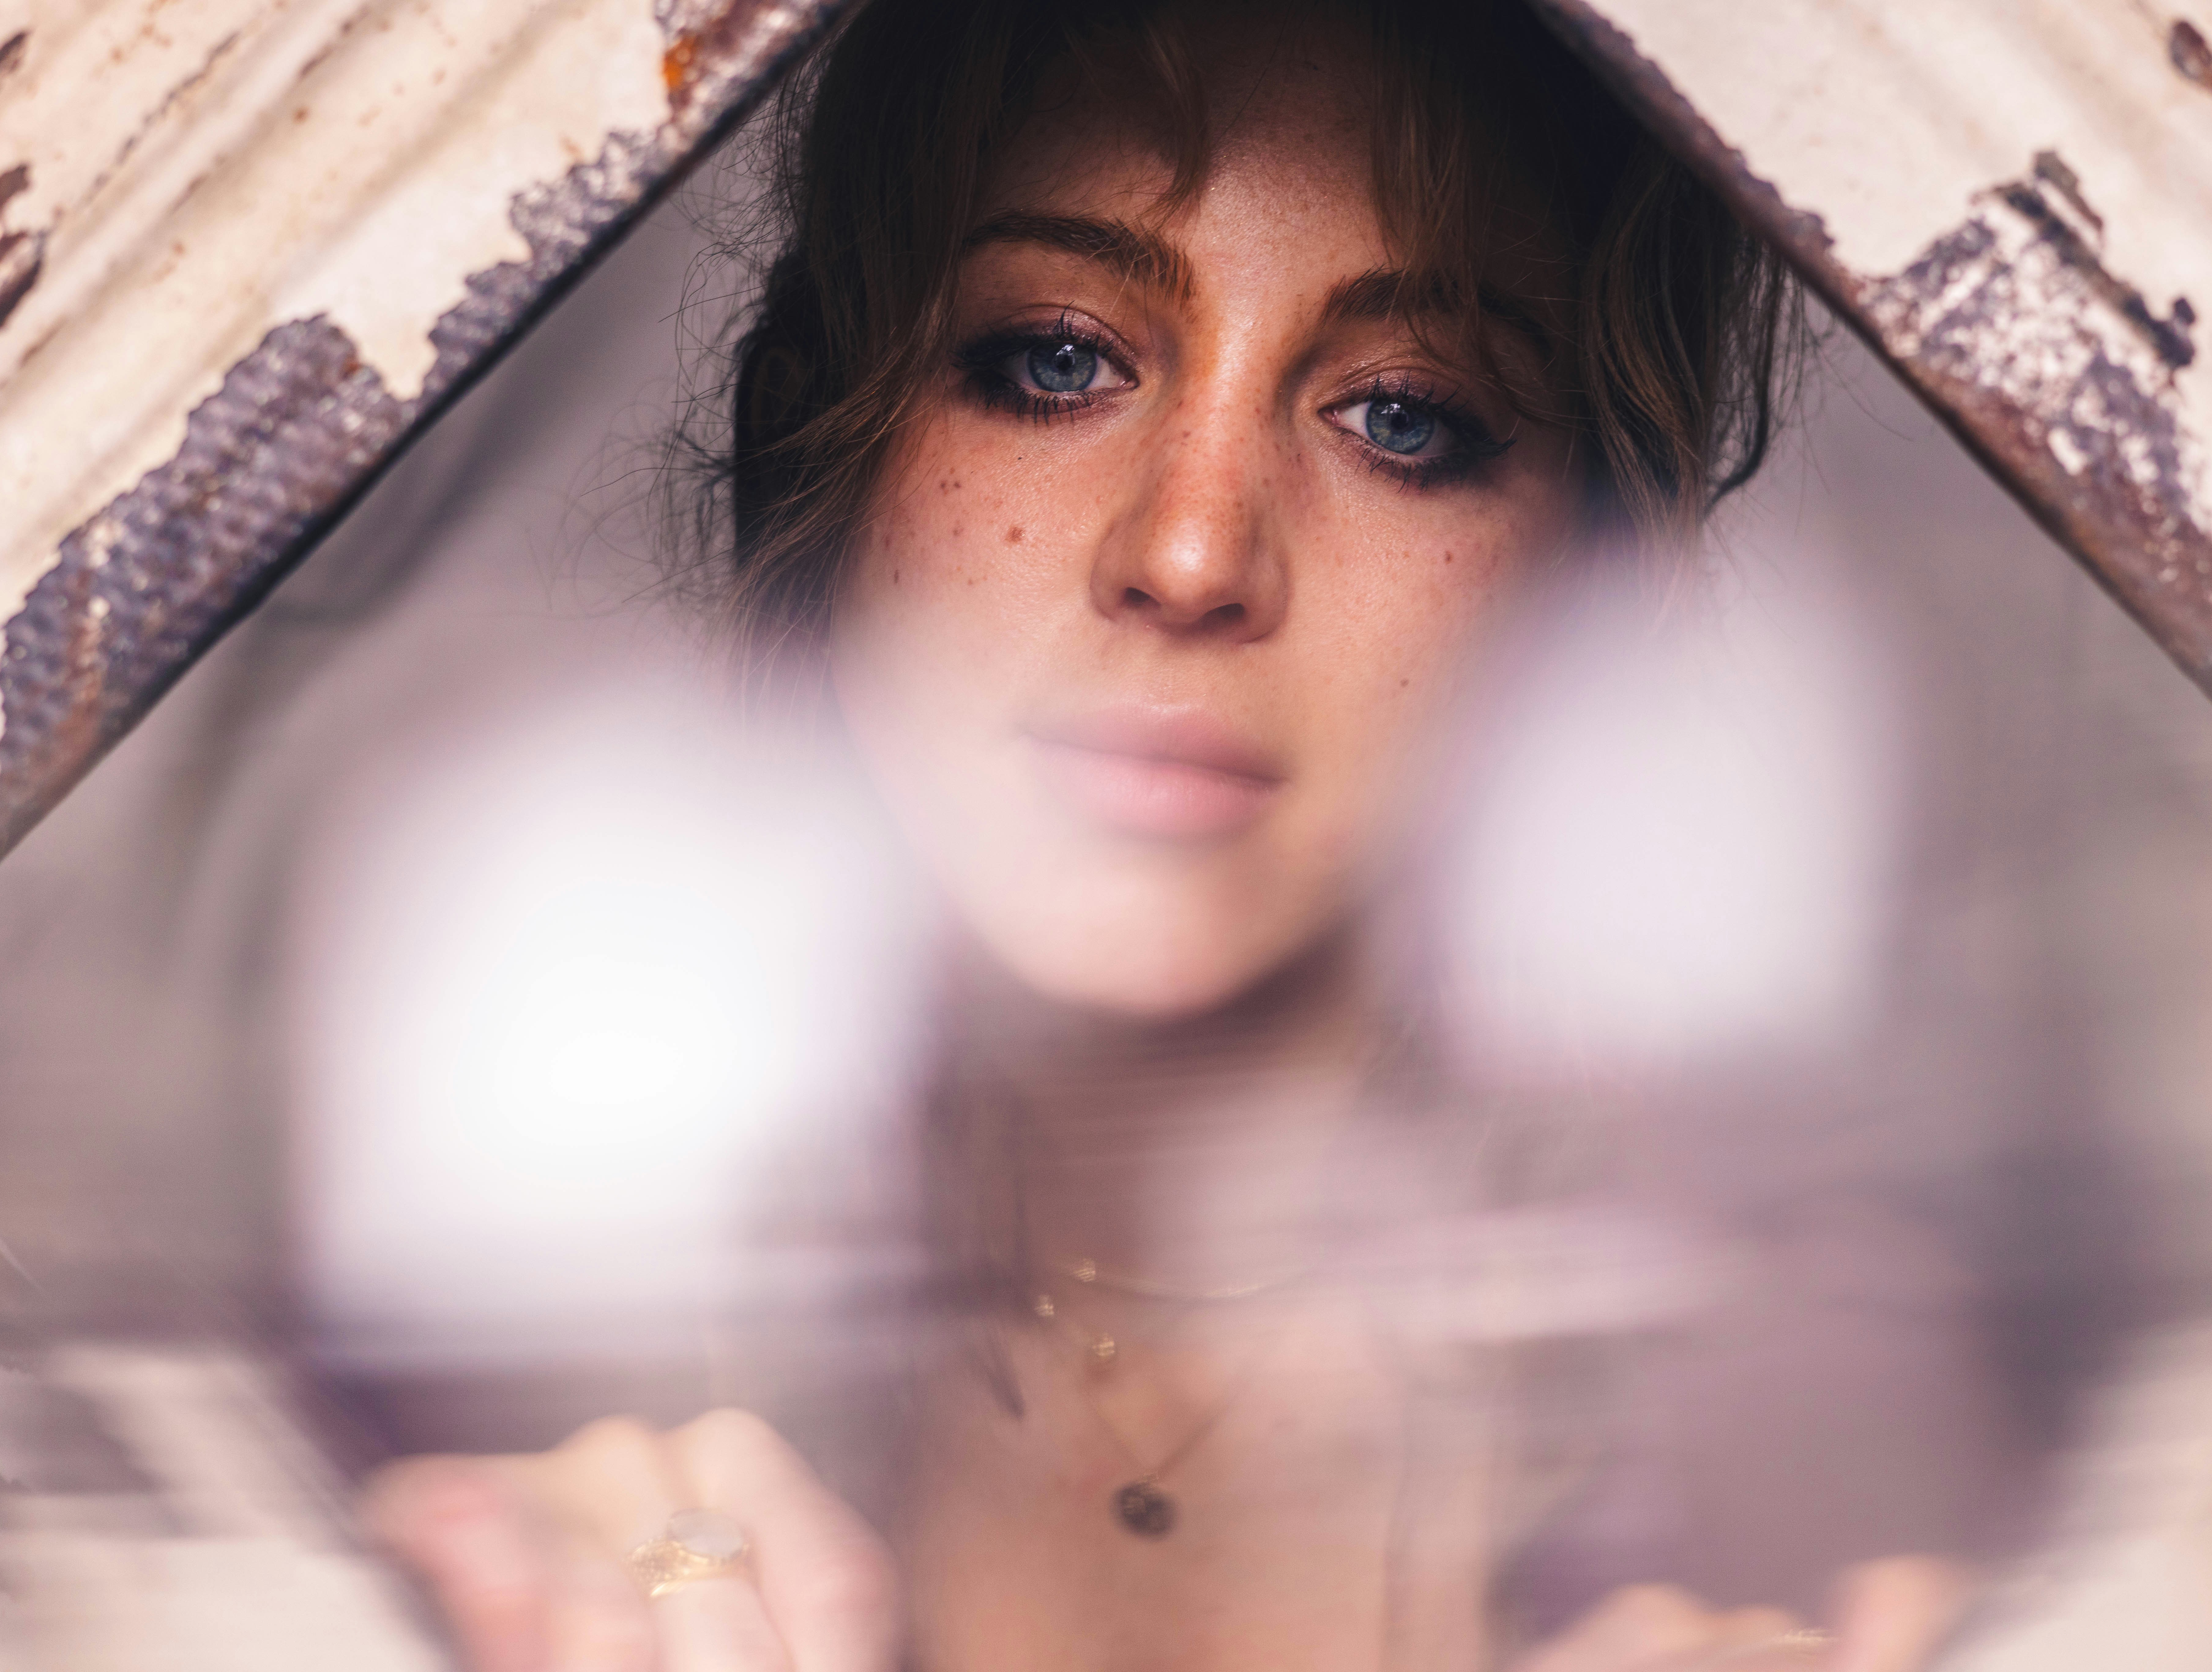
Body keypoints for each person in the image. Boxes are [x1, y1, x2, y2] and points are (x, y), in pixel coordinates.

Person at [365, 0, 1982, 1666]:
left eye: (1408, 414)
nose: (1197, 549)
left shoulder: (1792, 1413)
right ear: (825, 439)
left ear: (1576, 577)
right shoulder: (497, 1284)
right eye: (1056, 357)